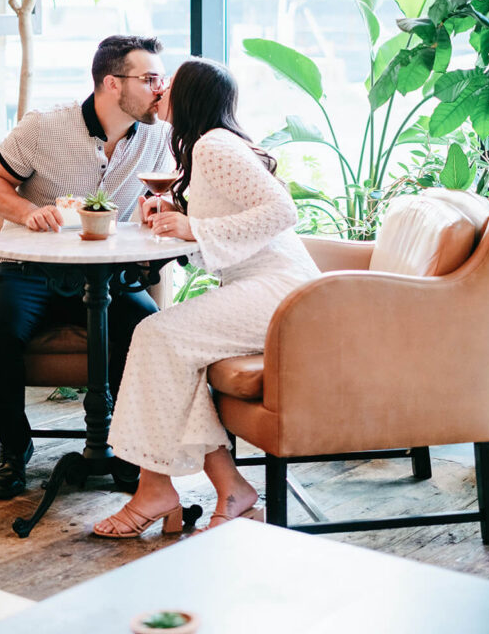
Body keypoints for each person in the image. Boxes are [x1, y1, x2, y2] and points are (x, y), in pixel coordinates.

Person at [93, 58, 320, 538]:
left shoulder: (215, 145)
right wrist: (179, 218)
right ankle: (231, 487)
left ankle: (154, 491)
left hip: (283, 293)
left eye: (169, 84)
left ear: (189, 95)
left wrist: (193, 226)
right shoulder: (206, 146)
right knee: (175, 349)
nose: (160, 90)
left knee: (155, 333)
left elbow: (282, 210)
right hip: (266, 287)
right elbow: (225, 232)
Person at [0, 34, 173, 500]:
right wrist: (24, 212)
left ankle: (125, 448)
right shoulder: (45, 127)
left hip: (106, 272)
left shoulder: (158, 137)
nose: (160, 89)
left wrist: (152, 209)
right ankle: (13, 445)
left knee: (149, 330)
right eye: (149, 79)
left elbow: (153, 198)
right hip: (27, 267)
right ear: (110, 83)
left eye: (161, 79)